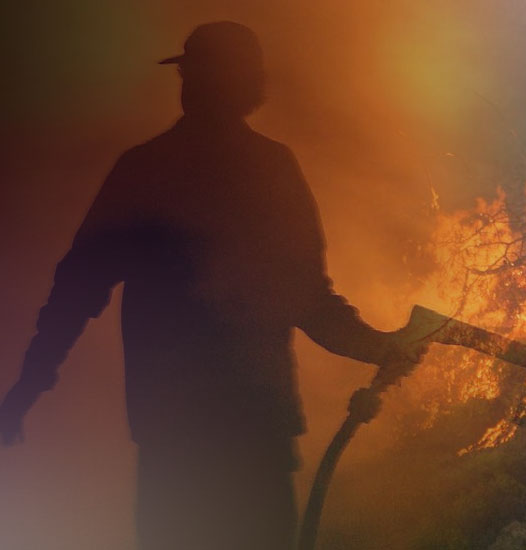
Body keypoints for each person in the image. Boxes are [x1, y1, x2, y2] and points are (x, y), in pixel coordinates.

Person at [0, 21, 426, 550]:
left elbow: (76, 290)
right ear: (252, 85)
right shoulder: (270, 167)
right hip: (254, 430)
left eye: (192, 74)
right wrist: (380, 346)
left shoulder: (145, 168)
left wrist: (30, 384)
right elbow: (310, 299)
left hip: (174, 435)